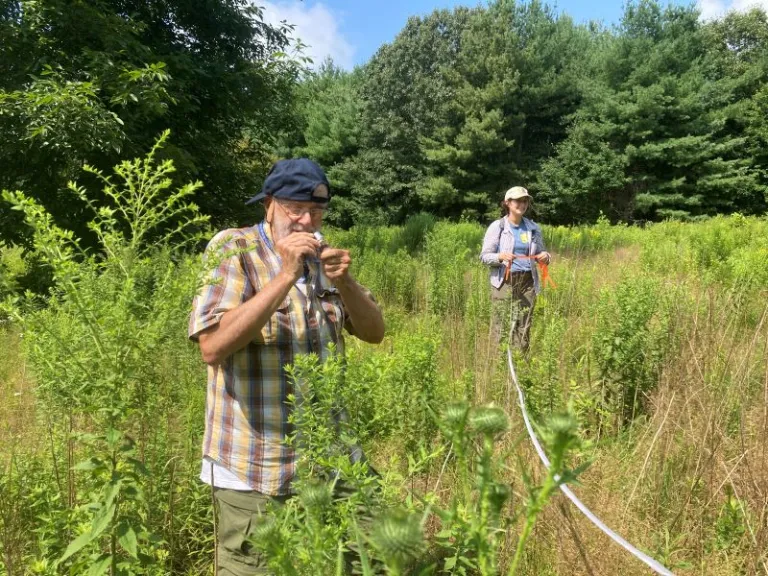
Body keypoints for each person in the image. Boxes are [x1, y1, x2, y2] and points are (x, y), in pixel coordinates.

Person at [188, 158, 385, 575]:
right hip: (254, 465)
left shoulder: (324, 255)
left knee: (373, 557)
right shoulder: (234, 247)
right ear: (270, 204)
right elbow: (212, 345)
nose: (306, 222)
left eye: (316, 212)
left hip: (332, 457)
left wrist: (345, 282)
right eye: (295, 209)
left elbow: (373, 332)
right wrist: (285, 274)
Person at [480, 186, 551, 352]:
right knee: (502, 325)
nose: (522, 204)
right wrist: (500, 257)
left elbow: (541, 252)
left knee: (524, 325)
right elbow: (484, 257)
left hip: (528, 282)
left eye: (525, 201)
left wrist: (545, 257)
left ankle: (521, 365)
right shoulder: (498, 227)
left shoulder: (533, 228)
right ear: (507, 203)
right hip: (504, 281)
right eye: (518, 200)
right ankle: (501, 366)